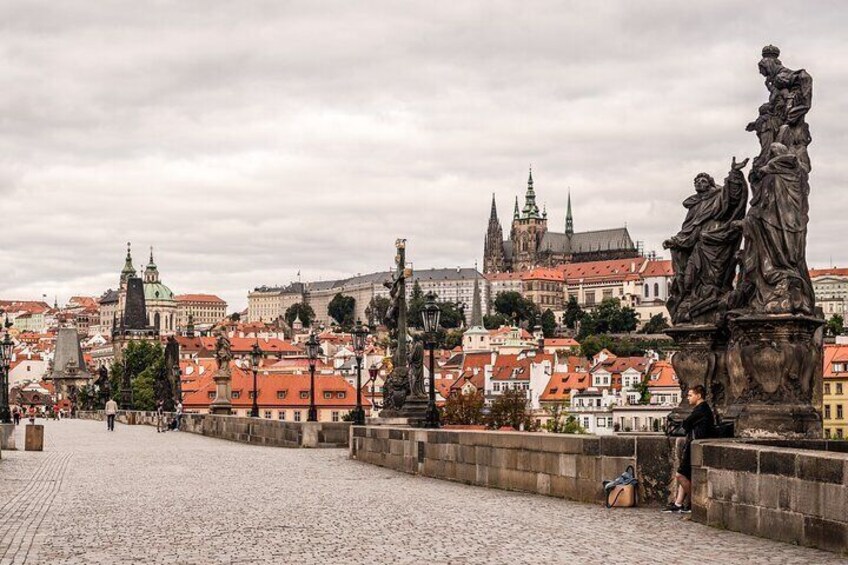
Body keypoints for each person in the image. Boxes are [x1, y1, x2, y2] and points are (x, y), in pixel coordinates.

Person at [664, 384, 714, 513]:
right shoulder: (703, 408)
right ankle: (679, 503)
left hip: (695, 446)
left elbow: (686, 424)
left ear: (698, 396)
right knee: (686, 475)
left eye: (690, 395)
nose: (688, 398)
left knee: (680, 475)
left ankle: (695, 501)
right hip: (695, 444)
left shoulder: (700, 410)